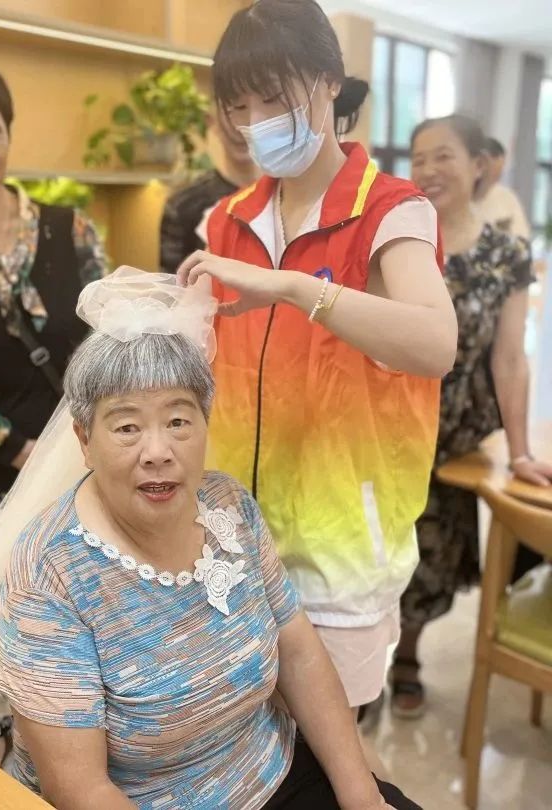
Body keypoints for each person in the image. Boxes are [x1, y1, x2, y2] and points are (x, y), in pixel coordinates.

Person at [0, 268, 421, 809]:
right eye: (127, 427)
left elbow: (298, 652)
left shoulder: (229, 505)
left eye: (178, 421)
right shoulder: (50, 571)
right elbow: (79, 788)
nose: (157, 452)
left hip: (274, 769)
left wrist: (362, 796)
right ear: (84, 438)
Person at [177, 0, 457, 721]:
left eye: (276, 98)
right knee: (242, 741)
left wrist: (296, 288)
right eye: (241, 107)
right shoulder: (226, 219)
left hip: (340, 557)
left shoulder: (393, 213)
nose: (257, 123)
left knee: (330, 752)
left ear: (331, 81)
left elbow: (436, 343)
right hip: (230, 541)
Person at [0, 57, 105, 758]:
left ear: (10, 135)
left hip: (76, 475)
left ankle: (67, 766)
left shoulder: (72, 230)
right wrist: (20, 451)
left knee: (68, 629)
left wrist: (88, 443)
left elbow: (108, 338)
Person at [389, 114, 552, 718]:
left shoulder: (506, 255)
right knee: (364, 555)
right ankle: (355, 671)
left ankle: (406, 659)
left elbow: (509, 360)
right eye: (418, 158)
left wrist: (522, 451)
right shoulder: (395, 240)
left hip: (452, 441)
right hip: (384, 431)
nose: (428, 170)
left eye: (444, 156)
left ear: (479, 165)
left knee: (429, 562)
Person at [159, 106, 257, 273]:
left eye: (249, 110)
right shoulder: (183, 206)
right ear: (211, 121)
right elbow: (172, 284)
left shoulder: (291, 196)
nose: (241, 128)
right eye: (233, 111)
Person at [473, 137, 531, 240]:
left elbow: (522, 238)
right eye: (490, 173)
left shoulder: (507, 198)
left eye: (499, 173)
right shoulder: (460, 195)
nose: (494, 178)